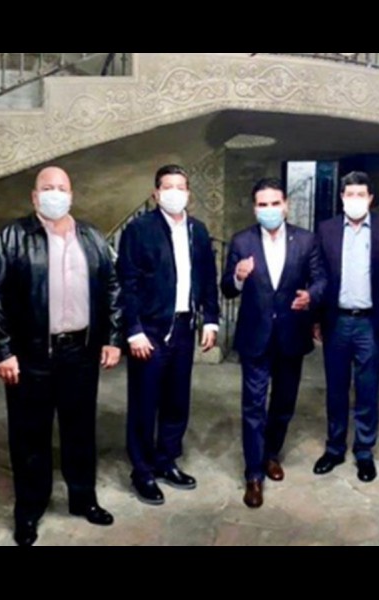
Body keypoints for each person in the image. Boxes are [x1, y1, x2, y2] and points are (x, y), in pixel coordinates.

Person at [0, 166, 122, 546]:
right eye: (47, 188)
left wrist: (112, 338)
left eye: (61, 188)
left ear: (71, 195)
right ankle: (29, 510)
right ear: (34, 196)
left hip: (81, 353)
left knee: (80, 431)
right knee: (29, 438)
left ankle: (83, 498)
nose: (55, 194)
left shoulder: (91, 236)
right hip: (31, 356)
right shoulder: (10, 237)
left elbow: (112, 287)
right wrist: (2, 352)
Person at [116, 164, 219, 506]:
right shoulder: (139, 230)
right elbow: (126, 283)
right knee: (144, 403)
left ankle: (166, 460)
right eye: (167, 187)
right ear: (156, 193)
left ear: (188, 193)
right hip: (150, 330)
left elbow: (207, 277)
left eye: (180, 187)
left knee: (177, 401)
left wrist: (211, 320)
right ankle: (142, 470)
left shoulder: (197, 231)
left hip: (184, 327)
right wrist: (133, 330)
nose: (174, 192)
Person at [221, 178, 326, 508]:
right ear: (255, 209)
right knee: (253, 406)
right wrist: (238, 276)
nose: (269, 210)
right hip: (256, 336)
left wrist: (311, 296)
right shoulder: (242, 241)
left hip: (292, 334)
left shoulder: (306, 240)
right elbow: (227, 288)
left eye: (274, 203)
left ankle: (271, 454)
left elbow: (321, 279)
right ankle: (253, 474)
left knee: (283, 404)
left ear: (286, 206)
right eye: (262, 205)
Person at [312, 171, 379, 482]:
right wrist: (316, 319)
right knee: (336, 388)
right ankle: (334, 447)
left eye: (360, 195)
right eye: (349, 194)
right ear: (342, 197)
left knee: (368, 389)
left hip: (371, 323)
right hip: (336, 321)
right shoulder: (325, 230)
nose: (355, 200)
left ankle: (364, 451)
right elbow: (318, 276)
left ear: (370, 198)